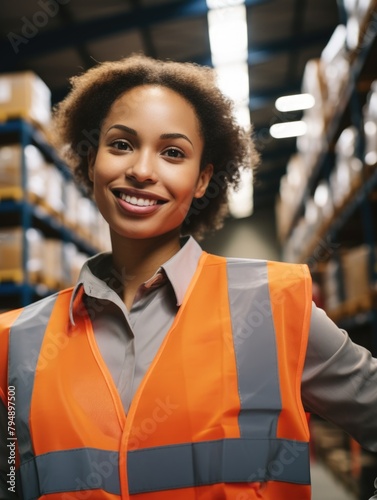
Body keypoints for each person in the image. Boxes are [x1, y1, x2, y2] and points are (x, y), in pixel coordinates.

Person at [0, 53, 376, 500]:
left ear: (202, 180)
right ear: (91, 159)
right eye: (120, 144)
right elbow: (10, 480)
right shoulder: (17, 339)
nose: (141, 169)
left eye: (172, 153)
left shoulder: (275, 306)